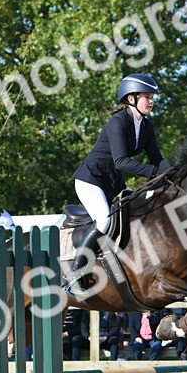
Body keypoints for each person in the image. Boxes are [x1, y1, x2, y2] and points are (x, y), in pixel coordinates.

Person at [65, 73, 171, 288]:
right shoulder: (118, 121)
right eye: (147, 96)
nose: (151, 101)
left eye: (152, 97)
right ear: (131, 98)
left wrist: (176, 171)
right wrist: (154, 173)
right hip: (91, 180)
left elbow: (157, 160)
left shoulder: (147, 126)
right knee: (104, 220)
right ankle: (75, 270)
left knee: (138, 214)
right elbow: (122, 162)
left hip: (113, 183)